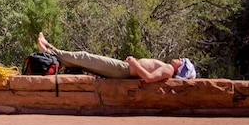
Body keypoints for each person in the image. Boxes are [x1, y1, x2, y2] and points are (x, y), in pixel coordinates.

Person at [37, 32, 196, 83]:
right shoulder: (168, 68)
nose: (179, 58)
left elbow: (148, 78)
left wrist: (134, 62)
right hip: (123, 69)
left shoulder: (168, 70)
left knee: (85, 58)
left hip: (124, 70)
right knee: (86, 62)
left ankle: (49, 49)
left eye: (182, 61)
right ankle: (48, 51)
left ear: (180, 68)